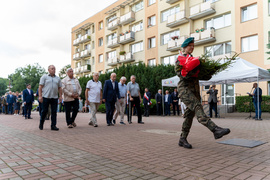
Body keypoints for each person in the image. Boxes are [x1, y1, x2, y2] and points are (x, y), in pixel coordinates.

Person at [175, 37, 230, 149]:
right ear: (185, 47)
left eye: (193, 45)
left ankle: (182, 139)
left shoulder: (193, 59)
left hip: (194, 91)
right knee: (197, 107)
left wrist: (209, 72)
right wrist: (194, 69)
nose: (192, 47)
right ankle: (215, 129)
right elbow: (182, 74)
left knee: (189, 117)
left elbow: (200, 76)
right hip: (185, 90)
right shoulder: (180, 59)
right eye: (190, 45)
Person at [38, 65, 62, 131]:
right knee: (44, 111)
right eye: (52, 69)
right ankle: (41, 123)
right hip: (46, 97)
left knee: (54, 112)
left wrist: (60, 96)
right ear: (48, 70)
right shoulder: (44, 77)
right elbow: (40, 87)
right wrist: (40, 96)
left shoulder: (58, 78)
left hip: (54, 97)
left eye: (54, 69)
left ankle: (53, 125)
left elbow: (60, 88)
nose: (53, 70)